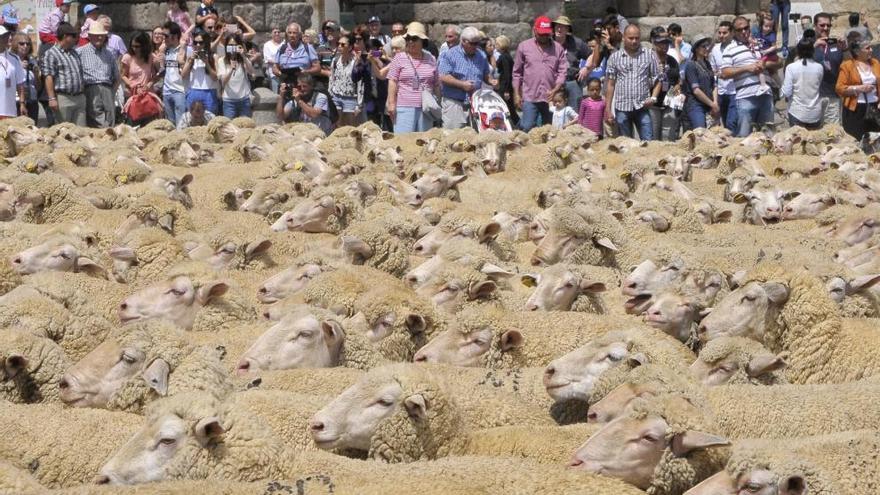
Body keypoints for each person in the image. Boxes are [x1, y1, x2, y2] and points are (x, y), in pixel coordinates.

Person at [720, 17, 776, 137]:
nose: (744, 32)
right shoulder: (729, 49)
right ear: (734, 32)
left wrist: (765, 64)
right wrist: (746, 68)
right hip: (746, 97)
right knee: (744, 136)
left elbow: (779, 61)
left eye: (746, 28)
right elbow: (724, 73)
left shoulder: (760, 43)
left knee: (768, 136)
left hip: (766, 95)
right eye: (739, 30)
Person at [604, 24, 659, 140]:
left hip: (642, 106)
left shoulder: (649, 55)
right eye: (631, 38)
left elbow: (658, 79)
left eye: (637, 38)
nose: (634, 41)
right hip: (622, 107)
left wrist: (653, 98)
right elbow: (610, 84)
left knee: (648, 142)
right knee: (625, 145)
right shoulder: (615, 57)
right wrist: (608, 109)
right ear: (624, 37)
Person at [513, 16, 567, 131]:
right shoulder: (524, 47)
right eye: (541, 34)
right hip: (530, 96)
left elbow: (562, 71)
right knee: (527, 127)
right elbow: (517, 73)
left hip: (551, 97)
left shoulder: (558, 49)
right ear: (534, 30)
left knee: (550, 129)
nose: (544, 37)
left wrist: (556, 89)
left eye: (546, 34)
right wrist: (517, 94)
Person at [385, 22, 438, 133]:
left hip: (426, 108)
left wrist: (436, 103)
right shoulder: (399, 58)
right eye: (408, 38)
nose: (410, 41)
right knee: (404, 143)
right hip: (404, 107)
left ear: (422, 41)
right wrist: (391, 104)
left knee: (423, 144)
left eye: (414, 39)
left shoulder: (431, 58)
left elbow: (436, 83)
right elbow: (392, 81)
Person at [438, 26, 494, 129]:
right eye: (472, 43)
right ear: (463, 41)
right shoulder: (449, 54)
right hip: (454, 102)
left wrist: (491, 81)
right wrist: (462, 84)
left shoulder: (481, 55)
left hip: (475, 103)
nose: (475, 46)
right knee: (453, 137)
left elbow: (486, 74)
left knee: (475, 138)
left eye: (477, 43)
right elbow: (443, 76)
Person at [41, 23, 85, 125]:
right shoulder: (51, 53)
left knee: (81, 133)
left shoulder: (74, 53)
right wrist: (52, 98)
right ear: (65, 36)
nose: (76, 39)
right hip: (63, 98)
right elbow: (48, 77)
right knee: (64, 133)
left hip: (79, 97)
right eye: (73, 36)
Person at [77, 22, 119, 128]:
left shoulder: (109, 54)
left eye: (102, 35)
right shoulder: (80, 52)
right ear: (90, 36)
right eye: (96, 35)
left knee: (110, 116)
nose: (99, 38)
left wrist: (112, 92)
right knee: (95, 117)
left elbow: (117, 76)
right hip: (91, 87)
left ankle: (110, 140)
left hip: (107, 88)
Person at [836, 41, 880, 141]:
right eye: (867, 48)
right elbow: (839, 88)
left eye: (871, 47)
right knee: (856, 138)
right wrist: (859, 88)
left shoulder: (875, 63)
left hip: (874, 107)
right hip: (855, 109)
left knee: (875, 139)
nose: (871, 50)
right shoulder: (847, 65)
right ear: (857, 51)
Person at [781, 39, 824, 129]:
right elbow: (818, 86)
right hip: (815, 114)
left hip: (797, 113)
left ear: (797, 51)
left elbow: (787, 92)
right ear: (813, 51)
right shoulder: (819, 67)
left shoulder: (791, 67)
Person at [648, 27, 681, 141]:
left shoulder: (672, 61)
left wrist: (677, 87)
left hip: (669, 103)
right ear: (653, 41)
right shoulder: (647, 59)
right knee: (653, 139)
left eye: (667, 42)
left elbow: (678, 80)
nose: (665, 45)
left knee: (668, 138)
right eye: (661, 43)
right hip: (652, 105)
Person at [813, 12, 845, 126]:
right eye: (822, 25)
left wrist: (846, 49)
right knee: (812, 135)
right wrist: (813, 47)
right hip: (812, 98)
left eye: (828, 25)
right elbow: (795, 63)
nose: (825, 28)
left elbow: (847, 67)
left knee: (833, 134)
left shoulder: (836, 44)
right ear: (815, 26)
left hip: (832, 97)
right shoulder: (807, 44)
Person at [552, 15, 590, 109]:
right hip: (553, 83)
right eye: (557, 26)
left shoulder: (576, 42)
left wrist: (586, 68)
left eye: (563, 26)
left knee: (575, 111)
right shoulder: (548, 42)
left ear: (568, 29)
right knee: (555, 113)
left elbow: (591, 55)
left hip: (572, 81)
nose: (559, 29)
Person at [683, 34, 719, 130]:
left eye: (707, 46)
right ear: (696, 49)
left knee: (715, 133)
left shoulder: (707, 64)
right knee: (701, 133)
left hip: (709, 104)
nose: (707, 48)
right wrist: (712, 104)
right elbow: (696, 91)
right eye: (703, 46)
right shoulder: (691, 65)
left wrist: (714, 103)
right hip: (696, 105)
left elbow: (714, 85)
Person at [328, 34, 364, 127]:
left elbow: (360, 84)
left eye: (343, 45)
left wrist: (359, 105)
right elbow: (331, 79)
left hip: (351, 98)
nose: (340, 46)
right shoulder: (335, 61)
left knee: (351, 128)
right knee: (337, 126)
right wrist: (330, 96)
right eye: (338, 44)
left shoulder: (356, 62)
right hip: (336, 97)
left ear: (350, 47)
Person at [181, 29, 219, 114]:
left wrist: (206, 63)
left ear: (206, 43)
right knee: (193, 121)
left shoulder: (213, 56)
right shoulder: (190, 57)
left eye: (201, 42)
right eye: (195, 42)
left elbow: (215, 77)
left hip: (209, 92)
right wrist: (190, 61)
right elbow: (183, 75)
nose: (198, 45)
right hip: (194, 91)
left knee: (210, 120)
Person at [216, 32, 254, 118]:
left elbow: (252, 72)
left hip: (244, 99)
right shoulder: (221, 61)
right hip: (229, 101)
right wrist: (231, 70)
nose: (232, 48)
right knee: (231, 127)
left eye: (235, 45)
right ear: (226, 47)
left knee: (245, 128)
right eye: (230, 46)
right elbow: (223, 82)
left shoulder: (243, 60)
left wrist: (243, 56)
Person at [710, 21, 738, 133]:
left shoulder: (737, 47)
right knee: (724, 122)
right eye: (720, 33)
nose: (721, 36)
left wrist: (725, 73)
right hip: (721, 91)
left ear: (731, 33)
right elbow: (713, 70)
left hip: (734, 91)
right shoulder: (715, 49)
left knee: (732, 123)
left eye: (725, 33)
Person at [274, 22, 320, 88]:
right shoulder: (282, 48)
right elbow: (275, 67)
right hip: (286, 84)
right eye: (289, 33)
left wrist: (305, 72)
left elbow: (317, 68)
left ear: (299, 35)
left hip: (304, 85)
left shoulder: (308, 48)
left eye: (294, 33)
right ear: (287, 35)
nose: (292, 35)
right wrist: (280, 74)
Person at [161, 21, 189, 124]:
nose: (164, 38)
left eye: (166, 36)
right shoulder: (165, 50)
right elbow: (161, 69)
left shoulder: (186, 49)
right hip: (167, 91)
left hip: (180, 91)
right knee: (170, 123)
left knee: (181, 123)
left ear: (175, 36)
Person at [12, 32, 39, 122]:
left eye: (28, 44)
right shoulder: (11, 60)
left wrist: (36, 74)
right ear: (15, 44)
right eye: (22, 43)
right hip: (17, 101)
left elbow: (38, 86)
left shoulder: (32, 60)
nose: (25, 46)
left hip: (32, 100)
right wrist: (18, 67)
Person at [0, 27, 25, 119]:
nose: (7, 38)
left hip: (10, 111)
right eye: (2, 36)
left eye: (6, 35)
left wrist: (22, 103)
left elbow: (20, 84)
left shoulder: (14, 58)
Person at [493, 35, 518, 128]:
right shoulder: (507, 56)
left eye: (497, 44)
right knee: (509, 108)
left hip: (505, 86)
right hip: (505, 85)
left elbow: (507, 74)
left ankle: (515, 125)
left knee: (508, 108)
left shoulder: (504, 57)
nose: (495, 46)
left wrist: (506, 90)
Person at [263, 27, 283, 93]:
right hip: (273, 73)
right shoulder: (267, 45)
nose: (277, 34)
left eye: (278, 32)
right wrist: (278, 63)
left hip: (285, 71)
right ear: (271, 34)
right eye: (275, 32)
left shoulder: (284, 43)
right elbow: (267, 59)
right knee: (276, 92)